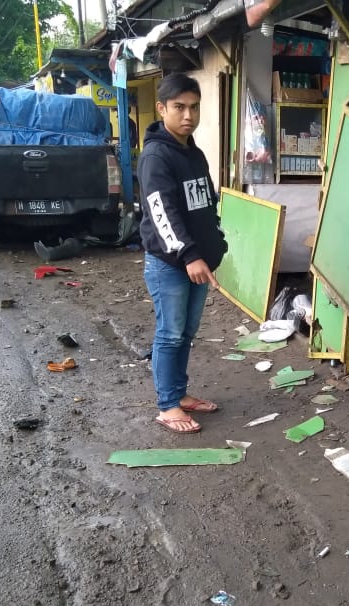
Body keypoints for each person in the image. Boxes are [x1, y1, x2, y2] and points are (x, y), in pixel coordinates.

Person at [138, 74, 228, 434]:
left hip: (197, 262)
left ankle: (179, 394)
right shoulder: (155, 156)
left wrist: (215, 241)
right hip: (171, 264)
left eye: (194, 107)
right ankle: (167, 406)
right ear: (162, 109)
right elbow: (162, 213)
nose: (188, 115)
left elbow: (206, 202)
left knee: (186, 333)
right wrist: (191, 255)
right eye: (179, 107)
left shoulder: (194, 152)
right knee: (170, 333)